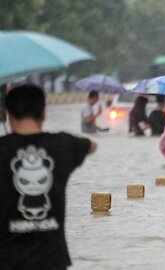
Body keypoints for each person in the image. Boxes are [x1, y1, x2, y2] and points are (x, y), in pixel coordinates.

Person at [0, 84, 96, 269]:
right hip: (52, 261)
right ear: (43, 113)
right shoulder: (62, 145)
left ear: (8, 114)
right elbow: (92, 145)